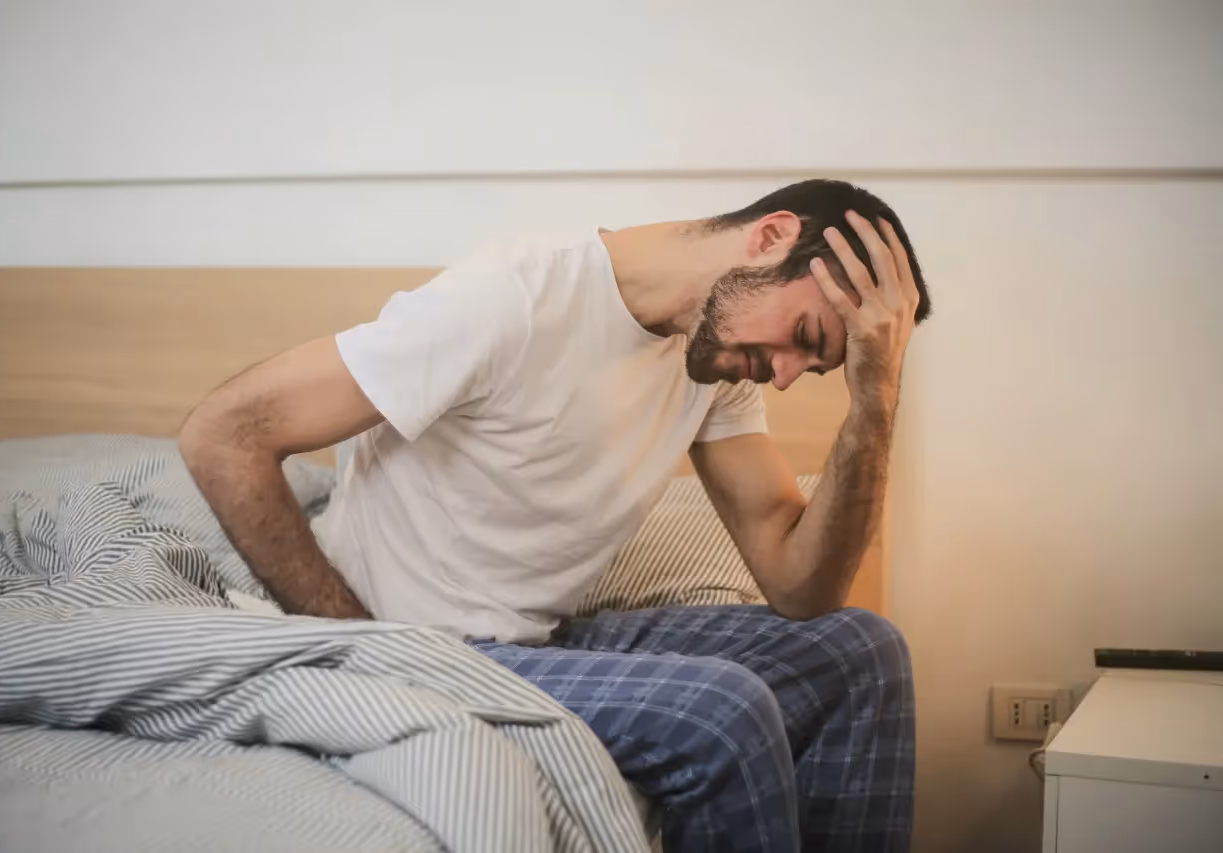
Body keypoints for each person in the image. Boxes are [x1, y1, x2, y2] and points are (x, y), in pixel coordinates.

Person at [180, 179, 931, 853]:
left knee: (859, 653)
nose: (789, 375)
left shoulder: (715, 360)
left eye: (817, 366)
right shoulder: (513, 298)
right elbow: (224, 432)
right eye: (805, 338)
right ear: (769, 238)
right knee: (722, 714)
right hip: (420, 643)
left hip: (534, 641)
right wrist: (366, 648)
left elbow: (801, 588)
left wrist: (875, 395)